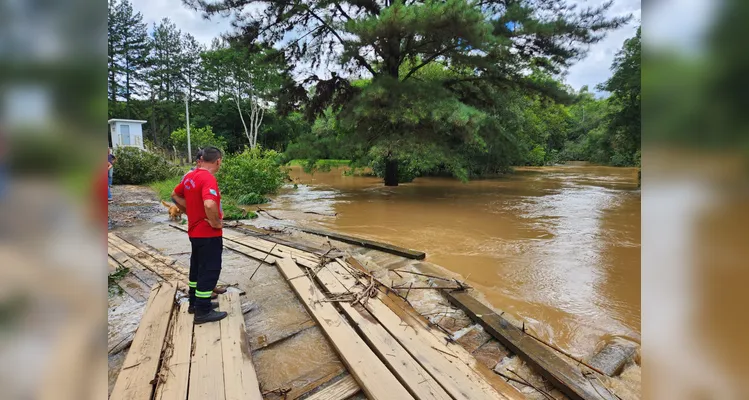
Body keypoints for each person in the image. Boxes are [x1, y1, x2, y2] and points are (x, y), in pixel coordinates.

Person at [171, 146, 227, 323]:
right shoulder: (208, 178)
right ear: (218, 161)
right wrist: (215, 222)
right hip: (208, 233)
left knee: (197, 268)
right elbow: (210, 204)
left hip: (194, 232)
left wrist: (190, 211)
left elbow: (175, 194)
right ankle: (203, 311)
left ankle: (195, 303)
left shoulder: (190, 176)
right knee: (210, 270)